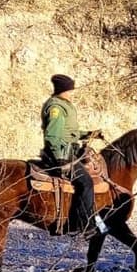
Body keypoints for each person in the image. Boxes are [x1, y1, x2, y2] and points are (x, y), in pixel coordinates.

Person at [40, 74, 95, 231]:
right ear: (63, 90)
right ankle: (85, 225)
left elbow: (68, 132)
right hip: (62, 154)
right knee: (86, 182)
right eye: (70, 90)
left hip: (69, 150)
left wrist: (87, 134)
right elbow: (52, 136)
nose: (72, 93)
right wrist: (60, 159)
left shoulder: (64, 105)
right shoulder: (56, 108)